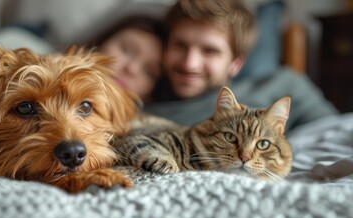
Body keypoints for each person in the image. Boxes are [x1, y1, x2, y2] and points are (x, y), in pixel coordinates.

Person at [144, 0, 339, 132]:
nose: (190, 64)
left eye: (210, 51)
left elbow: (338, 135)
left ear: (236, 63)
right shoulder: (141, 108)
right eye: (180, 45)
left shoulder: (284, 87)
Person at [0, 15, 164, 103]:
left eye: (150, 72)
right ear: (102, 40)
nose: (131, 68)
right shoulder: (14, 42)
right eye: (127, 49)